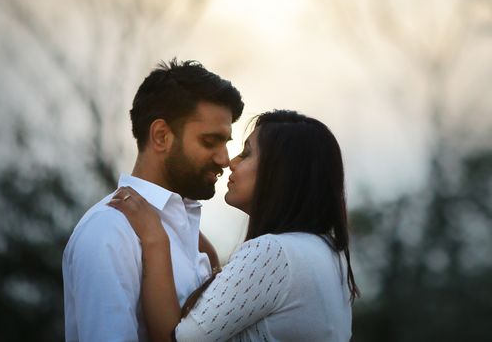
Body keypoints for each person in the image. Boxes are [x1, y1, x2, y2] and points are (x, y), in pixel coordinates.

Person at [108, 110, 358, 342]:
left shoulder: (272, 252)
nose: (231, 162)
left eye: (247, 153)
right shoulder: (329, 252)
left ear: (280, 172)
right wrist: (214, 260)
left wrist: (155, 237)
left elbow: (173, 339)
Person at [63, 59, 244, 342]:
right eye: (210, 142)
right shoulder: (110, 231)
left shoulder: (188, 236)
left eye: (226, 143)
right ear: (161, 136)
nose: (224, 159)